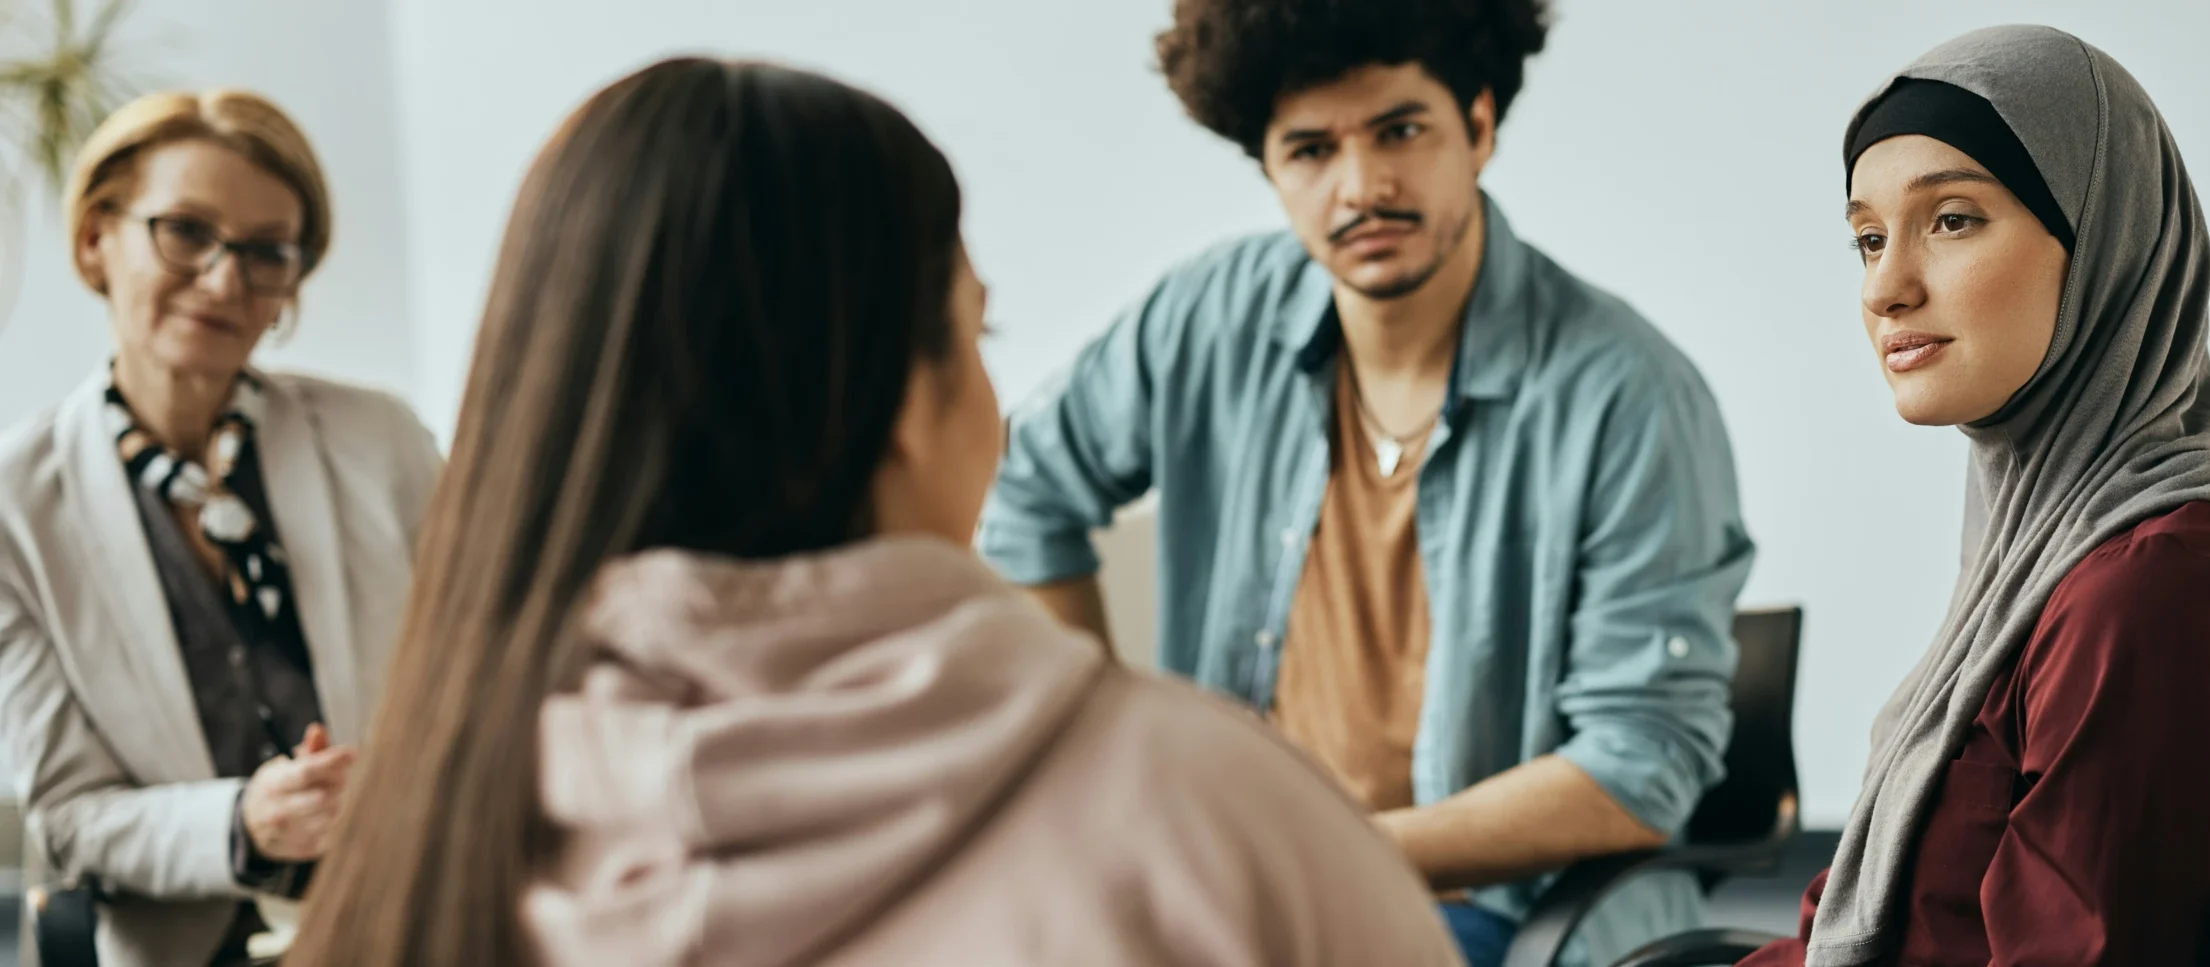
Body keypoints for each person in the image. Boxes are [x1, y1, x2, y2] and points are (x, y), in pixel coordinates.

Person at [282, 58, 1461, 967]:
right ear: (907, 394)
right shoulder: (1227, 824)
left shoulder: (416, 851)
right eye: (978, 331)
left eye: (1398, 131)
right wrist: (1092, 717)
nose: (1358, 183)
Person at [980, 1, 1756, 963]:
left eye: (1399, 130)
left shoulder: (1627, 394)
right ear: (1268, 167)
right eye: (1309, 150)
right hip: (1227, 886)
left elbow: (1640, 762)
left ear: (1477, 125)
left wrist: (1325, 853)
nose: (1361, 186)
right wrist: (1108, 750)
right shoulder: (1204, 320)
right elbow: (1023, 489)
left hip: (1500, 909)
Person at [1739, 25, 2210, 967]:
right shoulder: (2046, 551)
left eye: (1951, 219)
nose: (1885, 287)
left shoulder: (2161, 593)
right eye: (1868, 238)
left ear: (2105, 237)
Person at [0, 90, 442, 967]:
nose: (225, 278)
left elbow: (481, 669)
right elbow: (70, 818)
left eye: (266, 251)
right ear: (97, 237)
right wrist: (244, 822)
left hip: (414, 920)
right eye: (187, 232)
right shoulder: (15, 508)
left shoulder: (381, 440)